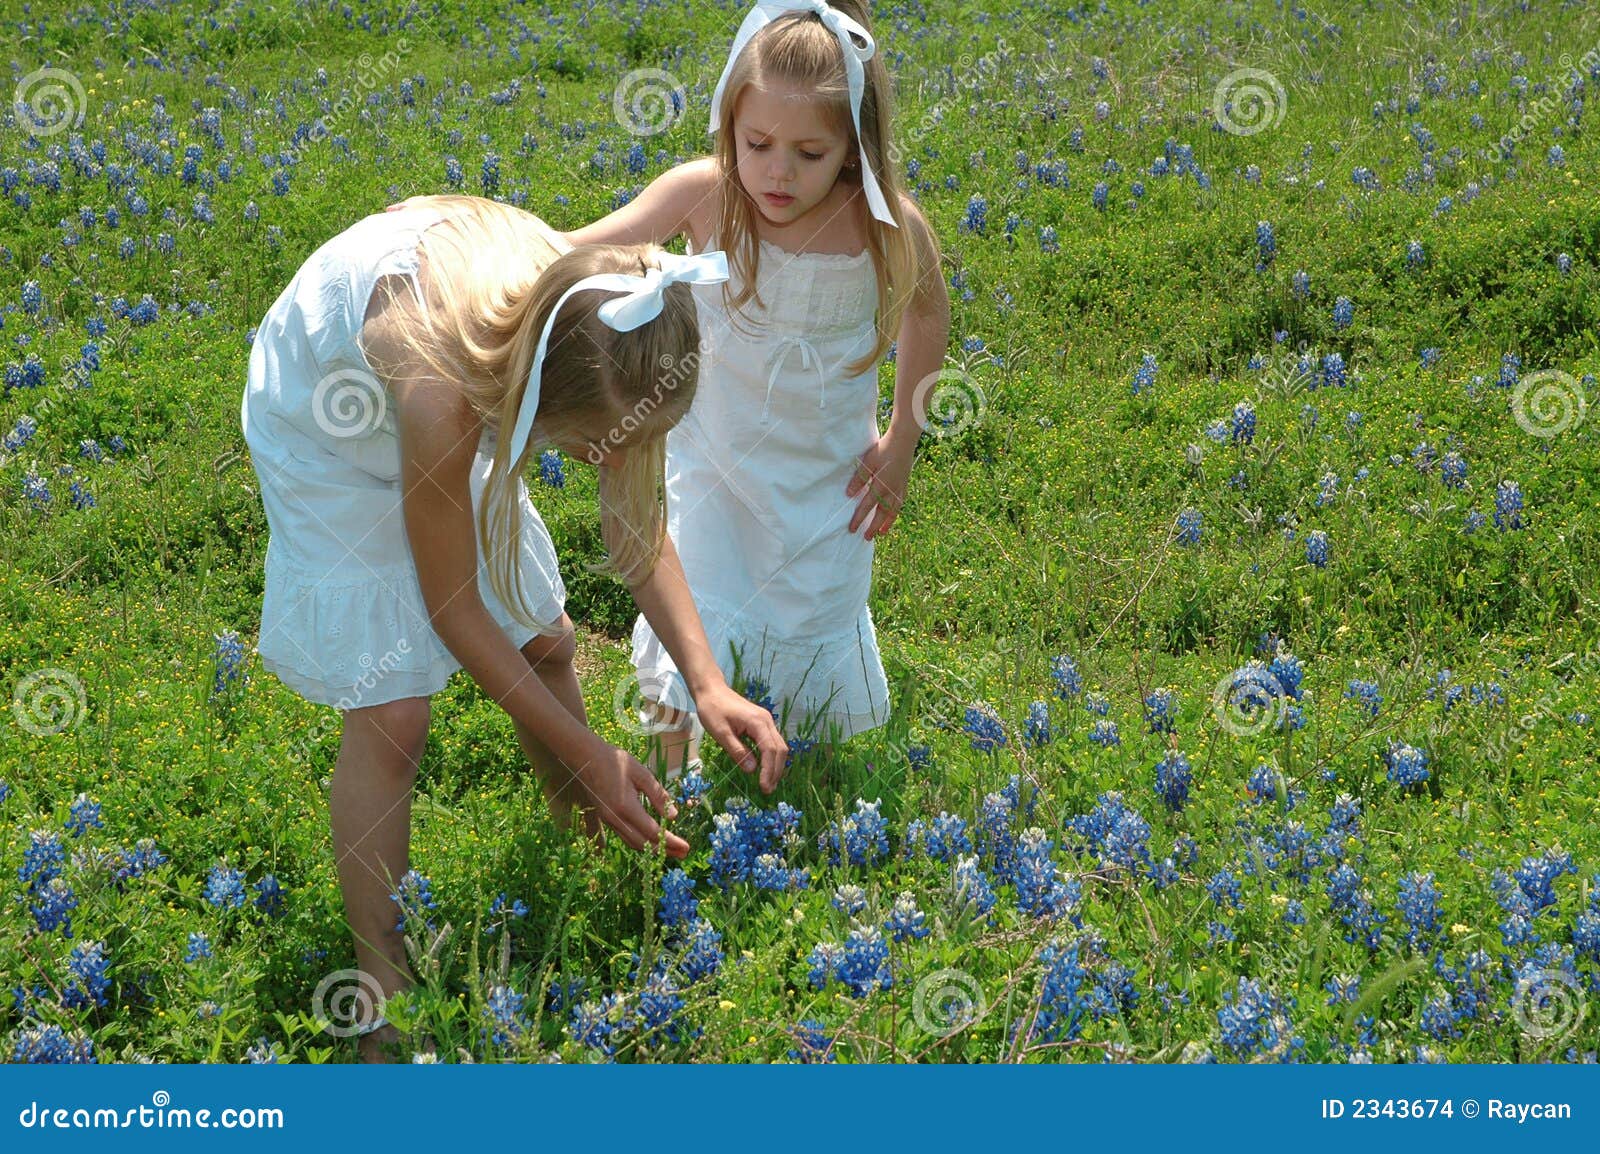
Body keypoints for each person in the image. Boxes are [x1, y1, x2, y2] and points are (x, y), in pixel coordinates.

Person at [240, 193, 788, 1061]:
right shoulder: (443, 394)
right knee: (394, 715)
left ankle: (581, 848)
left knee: (547, 641)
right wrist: (592, 751)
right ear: (540, 403)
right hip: (330, 415)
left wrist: (707, 681)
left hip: (471, 367)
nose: (615, 458)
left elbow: (636, 528)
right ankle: (383, 991)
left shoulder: (613, 331)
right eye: (599, 445)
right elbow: (453, 609)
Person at [564, 0, 951, 779]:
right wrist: (458, 225)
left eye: (810, 152)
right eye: (758, 144)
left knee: (812, 622)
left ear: (853, 147)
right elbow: (572, 251)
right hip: (716, 471)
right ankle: (673, 789)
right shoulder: (705, 196)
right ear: (729, 126)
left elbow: (928, 312)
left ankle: (797, 791)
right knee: (694, 618)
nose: (779, 172)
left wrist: (902, 443)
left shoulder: (884, 224)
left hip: (829, 483)